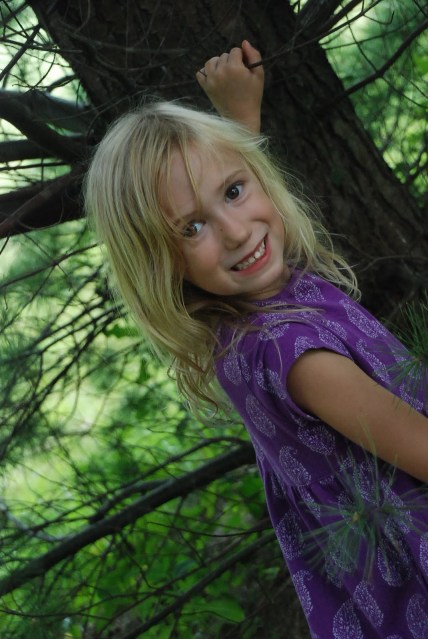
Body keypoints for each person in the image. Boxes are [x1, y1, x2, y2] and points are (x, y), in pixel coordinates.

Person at [84, 40, 428, 638]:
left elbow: (222, 199)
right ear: (159, 263)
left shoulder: (240, 317)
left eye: (235, 191)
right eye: (192, 228)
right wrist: (232, 166)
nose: (237, 232)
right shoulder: (298, 357)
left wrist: (239, 121)